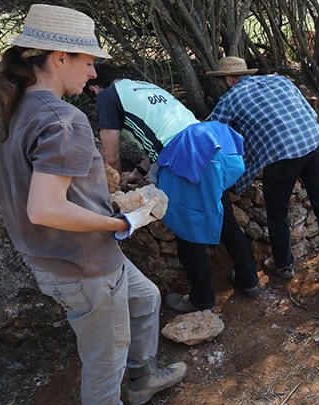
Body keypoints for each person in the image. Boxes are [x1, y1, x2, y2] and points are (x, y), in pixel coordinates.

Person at [0, 5, 185, 405]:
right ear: (59, 57)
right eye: (88, 61)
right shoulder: (63, 119)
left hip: (54, 259)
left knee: (146, 297)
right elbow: (45, 206)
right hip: (84, 261)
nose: (93, 72)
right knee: (104, 350)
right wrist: (120, 221)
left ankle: (143, 378)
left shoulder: (11, 112)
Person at [84, 65, 260, 311]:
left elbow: (110, 156)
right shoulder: (142, 87)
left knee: (187, 230)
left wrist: (111, 190)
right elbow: (165, 134)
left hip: (186, 155)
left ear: (93, 88)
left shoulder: (106, 97)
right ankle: (249, 280)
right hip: (210, 142)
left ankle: (202, 299)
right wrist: (140, 172)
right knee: (224, 216)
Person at [208, 57, 319, 288]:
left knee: (277, 212)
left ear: (231, 79)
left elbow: (209, 133)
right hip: (314, 143)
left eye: (223, 81)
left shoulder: (230, 99)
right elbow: (310, 114)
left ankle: (283, 265)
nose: (224, 85)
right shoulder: (280, 80)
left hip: (282, 155)